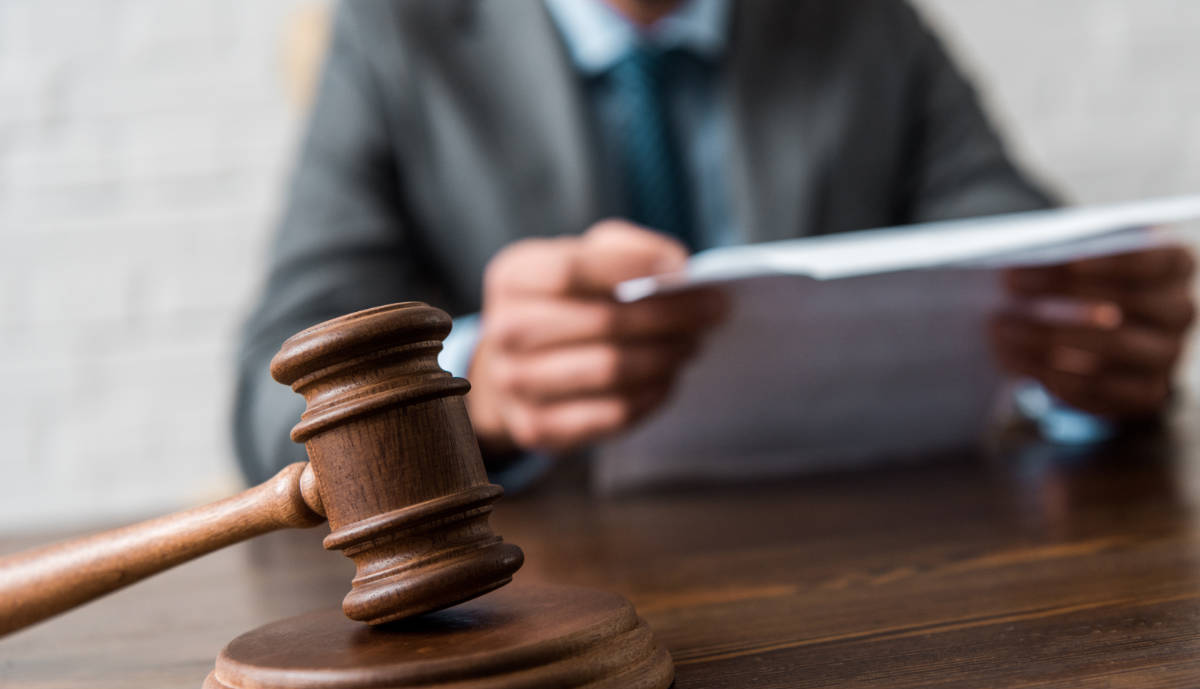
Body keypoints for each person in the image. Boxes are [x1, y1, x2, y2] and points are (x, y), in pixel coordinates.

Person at [233, 0, 1194, 488]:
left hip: (865, 590)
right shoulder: (397, 32)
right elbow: (263, 406)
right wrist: (473, 386)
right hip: (538, 619)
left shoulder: (858, 21)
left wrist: (1091, 356)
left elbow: (1022, 248)